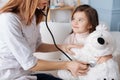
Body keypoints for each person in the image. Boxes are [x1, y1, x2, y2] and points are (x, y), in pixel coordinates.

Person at [0, 0, 89, 80]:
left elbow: (38, 46)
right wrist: (67, 65)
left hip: (28, 74)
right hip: (10, 76)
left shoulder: (33, 17)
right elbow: (30, 64)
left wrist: (63, 47)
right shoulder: (8, 19)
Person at [58, 4, 113, 79]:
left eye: (80, 20)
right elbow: (63, 57)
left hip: (91, 70)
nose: (75, 22)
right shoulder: (70, 38)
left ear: (90, 25)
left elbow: (107, 51)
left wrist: (106, 57)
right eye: (73, 19)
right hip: (75, 70)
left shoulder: (96, 38)